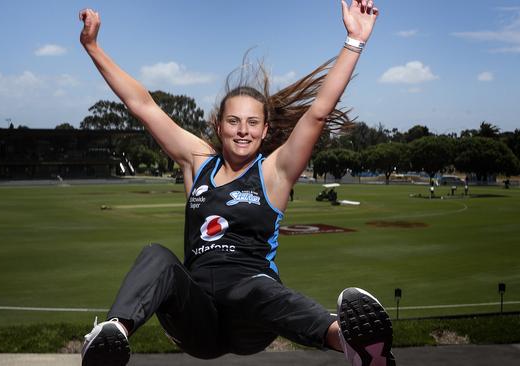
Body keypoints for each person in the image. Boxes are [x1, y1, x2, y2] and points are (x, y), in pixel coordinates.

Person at [78, 1, 395, 366]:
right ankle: (112, 339)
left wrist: (354, 40)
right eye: (233, 121)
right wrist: (93, 48)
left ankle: (353, 344)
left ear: (264, 131)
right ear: (218, 126)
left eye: (251, 123)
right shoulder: (197, 162)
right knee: (157, 257)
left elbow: (318, 112)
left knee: (259, 288)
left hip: (250, 315)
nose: (242, 130)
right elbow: (143, 105)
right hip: (197, 318)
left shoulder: (274, 172)